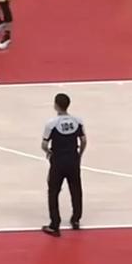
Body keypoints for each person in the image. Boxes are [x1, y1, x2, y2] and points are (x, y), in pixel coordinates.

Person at [41, 93, 85, 237]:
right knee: (76, 189)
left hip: (58, 161)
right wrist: (79, 154)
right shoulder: (77, 121)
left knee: (53, 191)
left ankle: (55, 225)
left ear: (56, 105)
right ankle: (76, 219)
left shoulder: (51, 124)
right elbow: (83, 140)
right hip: (73, 159)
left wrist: (49, 152)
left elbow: (44, 144)